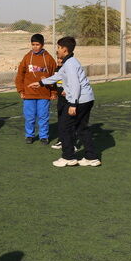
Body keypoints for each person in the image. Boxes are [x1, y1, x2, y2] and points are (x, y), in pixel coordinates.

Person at [33, 37, 96, 167]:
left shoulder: (70, 64)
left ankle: (68, 157)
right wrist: (41, 83)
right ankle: (91, 157)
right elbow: (58, 76)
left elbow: (75, 85)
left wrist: (73, 104)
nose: (57, 50)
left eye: (58, 48)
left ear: (65, 50)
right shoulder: (69, 62)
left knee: (65, 126)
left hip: (80, 100)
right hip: (87, 98)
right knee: (82, 128)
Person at [15, 33, 57, 144]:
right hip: (29, 94)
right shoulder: (27, 57)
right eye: (33, 44)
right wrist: (21, 90)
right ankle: (29, 135)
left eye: (37, 45)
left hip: (44, 94)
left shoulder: (49, 58)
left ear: (42, 45)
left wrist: (53, 92)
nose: (35, 47)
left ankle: (44, 136)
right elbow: (20, 75)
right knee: (29, 117)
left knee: (43, 116)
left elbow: (55, 76)